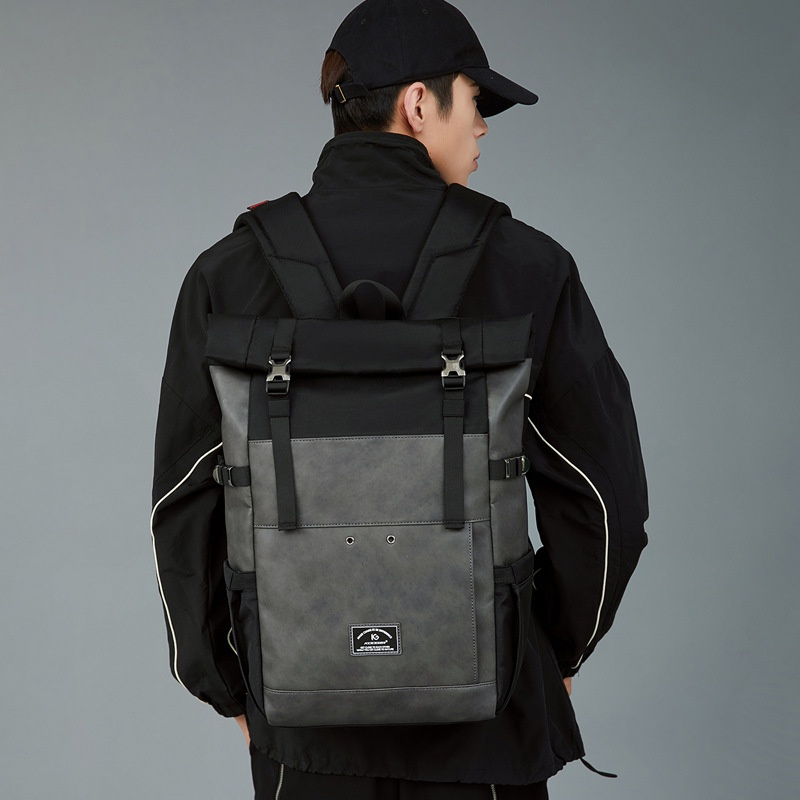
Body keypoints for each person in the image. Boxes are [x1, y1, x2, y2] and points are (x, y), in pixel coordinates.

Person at [150, 1, 649, 797]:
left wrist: (229, 684)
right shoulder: (529, 267)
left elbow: (182, 503)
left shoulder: (227, 274)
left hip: (304, 739)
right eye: (475, 100)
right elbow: (604, 498)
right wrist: (538, 651)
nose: (481, 126)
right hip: (487, 738)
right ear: (420, 103)